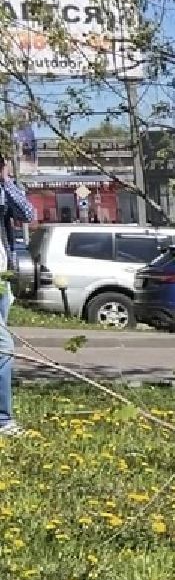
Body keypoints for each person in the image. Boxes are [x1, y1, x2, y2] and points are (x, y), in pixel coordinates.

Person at [0, 158, 38, 438]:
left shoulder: (4, 189)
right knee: (3, 347)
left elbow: (27, 213)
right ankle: (3, 420)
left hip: (2, 280)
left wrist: (6, 180)